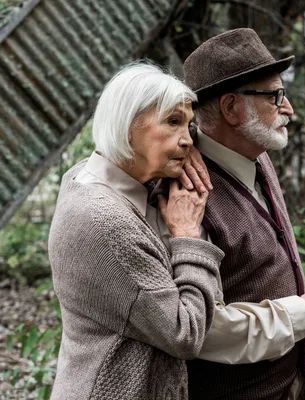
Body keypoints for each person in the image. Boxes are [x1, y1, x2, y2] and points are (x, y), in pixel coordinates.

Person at [48, 63, 224, 399]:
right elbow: (184, 334)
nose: (188, 140)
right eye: (173, 122)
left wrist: (169, 152)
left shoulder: (85, 175)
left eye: (189, 125)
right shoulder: (108, 223)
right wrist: (188, 236)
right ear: (129, 125)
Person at [180, 28, 305, 399]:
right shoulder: (187, 194)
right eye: (275, 96)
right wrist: (299, 315)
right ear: (231, 108)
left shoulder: (257, 153)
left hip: (295, 385)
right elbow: (198, 328)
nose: (288, 108)